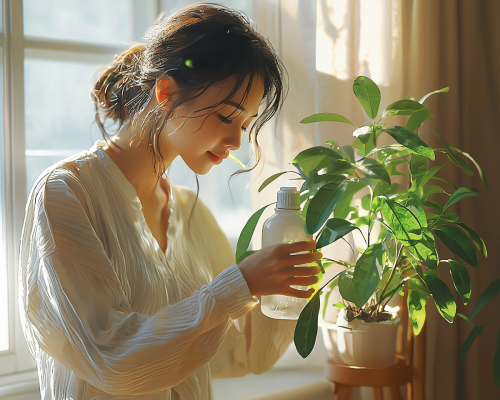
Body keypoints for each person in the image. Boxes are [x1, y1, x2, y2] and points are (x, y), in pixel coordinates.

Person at [18, 3, 323, 399]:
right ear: (166, 92)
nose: (235, 143)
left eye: (244, 125)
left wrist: (287, 285)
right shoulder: (66, 194)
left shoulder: (192, 214)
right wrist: (241, 284)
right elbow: (112, 359)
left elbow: (238, 352)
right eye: (226, 117)